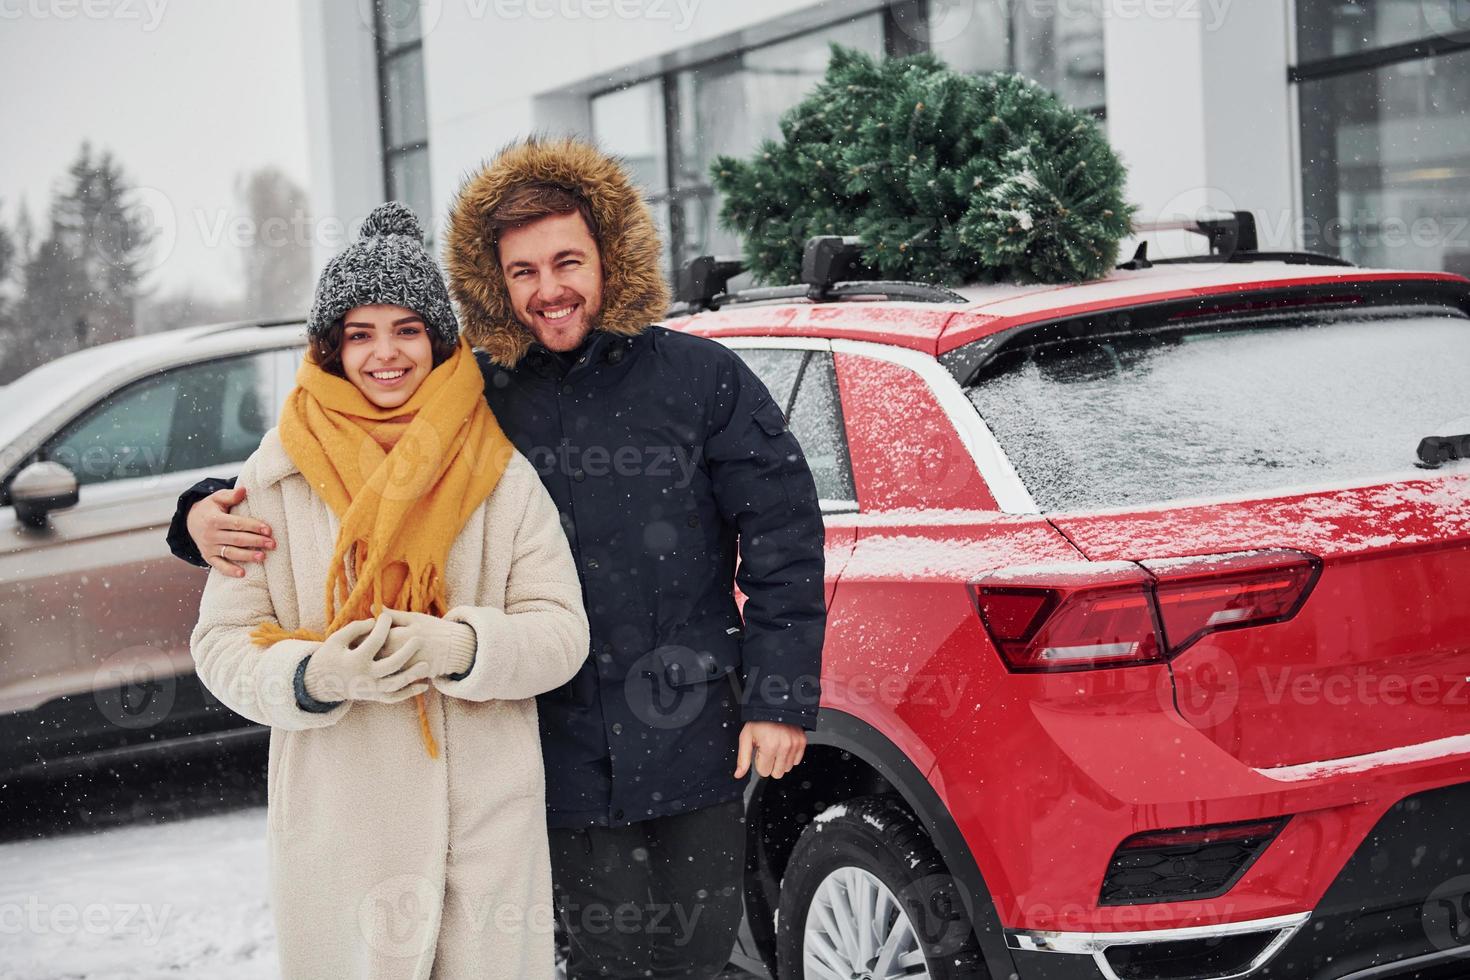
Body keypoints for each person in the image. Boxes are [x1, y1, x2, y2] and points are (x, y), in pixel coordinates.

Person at [170, 138, 827, 979]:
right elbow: (337, 451)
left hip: (690, 731)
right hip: (550, 751)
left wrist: (780, 695)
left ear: (610, 258)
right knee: (601, 961)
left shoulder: (701, 379)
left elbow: (784, 536)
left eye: (567, 263)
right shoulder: (476, 392)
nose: (549, 290)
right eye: (524, 272)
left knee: (698, 956)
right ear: (497, 283)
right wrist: (194, 512)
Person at [188, 201, 589, 980]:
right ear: (331, 348)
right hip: (343, 829)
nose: (385, 355)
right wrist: (313, 675)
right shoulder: (274, 477)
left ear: (437, 342)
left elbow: (561, 632)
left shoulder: (500, 472)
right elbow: (221, 644)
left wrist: (466, 646)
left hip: (485, 825)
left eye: (406, 329)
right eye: (360, 334)